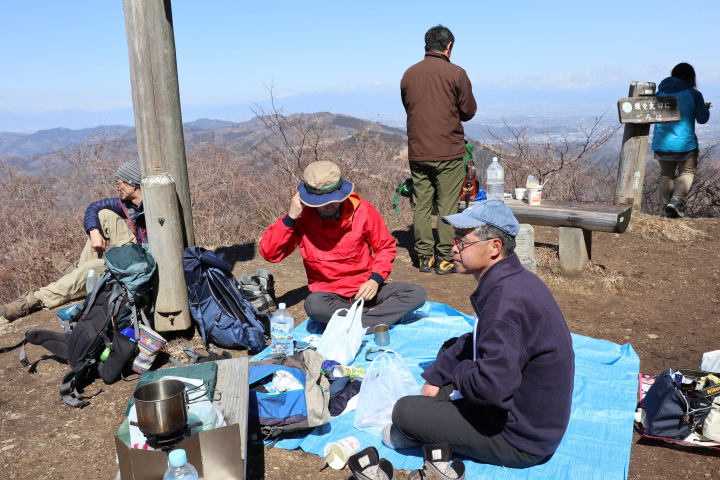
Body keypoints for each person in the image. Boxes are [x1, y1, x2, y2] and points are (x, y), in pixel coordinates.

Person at [384, 200, 575, 468]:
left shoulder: (503, 304)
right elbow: (476, 341)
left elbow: (491, 389)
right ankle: (437, 415)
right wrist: (439, 375)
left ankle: (425, 426)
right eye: (455, 239)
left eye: (463, 241)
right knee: (451, 348)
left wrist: (460, 370)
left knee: (404, 412)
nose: (453, 247)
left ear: (495, 247)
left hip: (521, 439)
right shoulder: (515, 279)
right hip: (529, 409)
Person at [260, 161, 426, 329]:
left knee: (415, 294)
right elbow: (271, 253)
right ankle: (374, 319)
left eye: (333, 199)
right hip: (329, 296)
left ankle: (355, 322)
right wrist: (290, 218)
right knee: (314, 306)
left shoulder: (363, 210)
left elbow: (385, 247)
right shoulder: (301, 218)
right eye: (320, 201)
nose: (328, 205)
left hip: (366, 288)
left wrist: (375, 280)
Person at [0, 159, 146, 322]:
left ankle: (33, 300)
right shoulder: (129, 204)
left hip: (144, 266)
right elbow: (94, 207)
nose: (117, 188)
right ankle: (78, 273)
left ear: (133, 184)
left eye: (120, 183)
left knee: (91, 268)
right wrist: (94, 231)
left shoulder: (155, 207)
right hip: (137, 253)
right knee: (104, 214)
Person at [401, 25, 477, 275]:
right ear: (449, 47)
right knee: (448, 205)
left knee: (421, 205)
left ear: (426, 46)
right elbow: (468, 112)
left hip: (418, 151)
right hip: (448, 152)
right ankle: (445, 258)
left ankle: (424, 257)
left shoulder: (409, 75)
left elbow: (409, 107)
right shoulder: (456, 73)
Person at [652, 62, 712, 218]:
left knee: (666, 175)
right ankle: (677, 201)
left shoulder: (660, 93)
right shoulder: (693, 94)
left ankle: (666, 207)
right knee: (687, 172)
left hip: (662, 144)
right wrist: (704, 108)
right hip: (685, 144)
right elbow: (702, 118)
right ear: (691, 77)